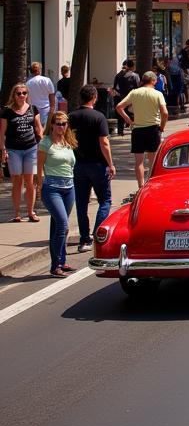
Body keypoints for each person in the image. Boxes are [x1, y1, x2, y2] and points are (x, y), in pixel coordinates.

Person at [68, 84, 115, 251]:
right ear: (94, 97)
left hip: (78, 164)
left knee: (81, 203)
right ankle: (97, 234)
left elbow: (67, 140)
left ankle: (84, 239)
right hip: (97, 164)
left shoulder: (71, 116)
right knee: (105, 200)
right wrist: (110, 163)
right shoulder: (98, 117)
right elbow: (104, 142)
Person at [36, 112, 77, 278]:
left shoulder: (68, 142)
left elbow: (71, 166)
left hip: (69, 187)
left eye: (65, 123)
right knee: (63, 225)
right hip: (51, 187)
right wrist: (40, 187)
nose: (62, 127)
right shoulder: (45, 143)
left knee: (58, 227)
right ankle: (55, 266)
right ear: (52, 125)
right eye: (59, 123)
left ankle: (61, 261)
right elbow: (39, 168)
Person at [116, 71, 169, 187]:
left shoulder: (134, 93)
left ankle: (140, 185)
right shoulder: (157, 94)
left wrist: (129, 120)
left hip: (138, 129)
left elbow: (119, 107)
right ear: (153, 81)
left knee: (139, 161)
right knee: (153, 161)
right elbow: (165, 113)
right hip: (153, 128)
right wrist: (162, 126)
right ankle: (152, 183)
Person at [1, 83, 44, 222]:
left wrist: (42, 146)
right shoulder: (7, 111)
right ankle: (17, 213)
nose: (21, 96)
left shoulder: (33, 109)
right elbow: (2, 134)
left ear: (27, 95)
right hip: (13, 150)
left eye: (24, 93)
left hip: (31, 148)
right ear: (14, 95)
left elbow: (39, 129)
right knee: (17, 181)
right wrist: (3, 150)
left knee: (30, 181)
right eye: (18, 93)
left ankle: (31, 212)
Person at [111, 59, 140, 136]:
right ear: (132, 66)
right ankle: (133, 127)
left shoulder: (118, 75)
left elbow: (115, 87)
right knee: (133, 113)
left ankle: (120, 131)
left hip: (120, 97)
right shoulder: (135, 76)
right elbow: (137, 87)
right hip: (131, 97)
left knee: (120, 114)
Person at [26, 61, 56, 127]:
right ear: (39, 70)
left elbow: (27, 99)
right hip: (46, 110)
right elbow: (52, 96)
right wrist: (52, 110)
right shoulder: (47, 80)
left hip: (33, 110)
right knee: (45, 132)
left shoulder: (27, 83)